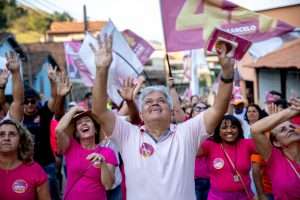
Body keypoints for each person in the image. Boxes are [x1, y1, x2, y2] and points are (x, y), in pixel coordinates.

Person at [91, 35, 234, 200]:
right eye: (148, 102)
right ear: (141, 114)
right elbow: (100, 111)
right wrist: (101, 70)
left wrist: (227, 75)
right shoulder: (128, 135)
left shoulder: (187, 133)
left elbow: (217, 109)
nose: (155, 104)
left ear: (172, 111)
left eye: (161, 101)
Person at [23, 67, 72, 200]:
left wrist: (52, 81)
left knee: (52, 193)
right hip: (25, 163)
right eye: (26, 101)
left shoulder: (43, 113)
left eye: (32, 101)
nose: (29, 104)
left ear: (37, 101)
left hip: (46, 162)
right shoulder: (18, 117)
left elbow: (54, 98)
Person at [56, 106, 117, 200]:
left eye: (87, 120)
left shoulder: (107, 152)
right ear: (76, 133)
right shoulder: (70, 146)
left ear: (95, 130)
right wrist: (74, 110)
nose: (84, 123)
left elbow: (108, 185)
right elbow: (58, 130)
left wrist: (103, 164)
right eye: (79, 123)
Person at [251, 97, 300, 200]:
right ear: (276, 142)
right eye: (283, 130)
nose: (290, 130)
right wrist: (294, 110)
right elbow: (255, 130)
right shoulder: (274, 158)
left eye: (291, 127)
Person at [200, 115, 256, 200]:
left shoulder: (247, 144)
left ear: (239, 129)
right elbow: (189, 149)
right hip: (218, 197)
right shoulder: (209, 145)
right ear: (218, 130)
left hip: (244, 196)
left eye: (233, 127)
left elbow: (267, 146)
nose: (229, 131)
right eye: (224, 128)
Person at [0, 119, 51, 200]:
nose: (6, 138)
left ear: (20, 141)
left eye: (12, 134)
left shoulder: (35, 170)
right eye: (1, 134)